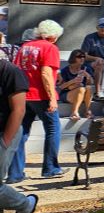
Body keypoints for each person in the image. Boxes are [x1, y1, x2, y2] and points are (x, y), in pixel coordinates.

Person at [10, 19, 65, 181]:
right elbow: (46, 73)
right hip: (40, 95)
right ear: (53, 36)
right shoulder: (50, 48)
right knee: (53, 129)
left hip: (21, 95)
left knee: (20, 133)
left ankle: (15, 173)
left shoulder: (24, 47)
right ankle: (51, 168)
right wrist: (52, 97)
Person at [0, 59, 37, 213]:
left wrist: (5, 142)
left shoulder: (10, 71)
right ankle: (25, 206)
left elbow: (19, 109)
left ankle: (25, 205)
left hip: (5, 132)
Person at [80, 17, 104, 94]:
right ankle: (98, 91)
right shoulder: (89, 38)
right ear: (97, 27)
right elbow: (84, 55)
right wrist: (97, 58)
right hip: (91, 63)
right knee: (99, 63)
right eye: (101, 26)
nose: (103, 29)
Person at [58, 49, 95, 120]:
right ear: (73, 58)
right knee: (81, 89)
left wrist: (87, 76)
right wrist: (73, 81)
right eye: (79, 56)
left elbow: (91, 82)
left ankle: (87, 111)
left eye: (83, 56)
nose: (82, 58)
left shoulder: (86, 68)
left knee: (88, 88)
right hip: (67, 93)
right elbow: (61, 86)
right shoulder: (66, 70)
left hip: (82, 93)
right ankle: (74, 112)